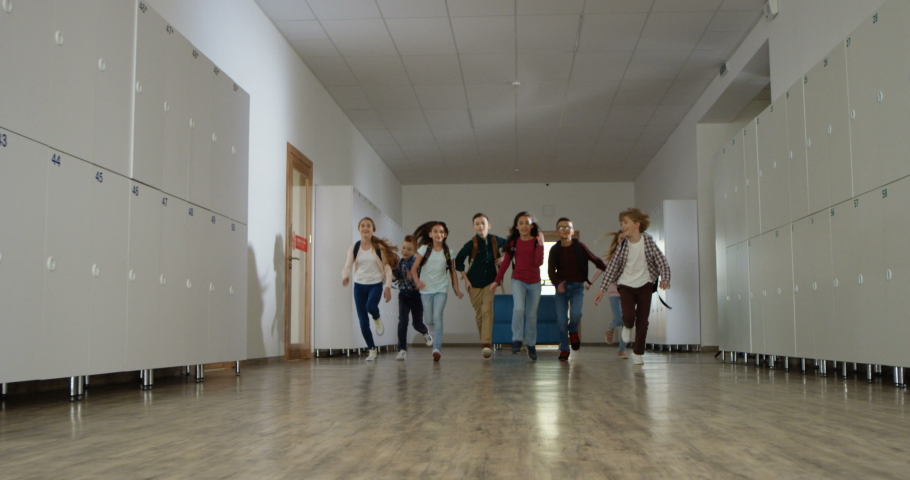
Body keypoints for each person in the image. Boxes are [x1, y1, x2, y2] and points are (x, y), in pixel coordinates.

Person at [594, 208, 670, 366]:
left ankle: (638, 353)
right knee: (628, 317)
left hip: (645, 285)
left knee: (642, 321)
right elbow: (612, 268)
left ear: (637, 224)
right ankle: (627, 327)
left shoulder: (648, 242)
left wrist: (665, 278)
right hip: (626, 286)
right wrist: (602, 289)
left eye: (625, 222)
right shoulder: (622, 246)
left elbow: (662, 261)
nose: (622, 226)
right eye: (621, 223)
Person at [547, 218, 606, 361]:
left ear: (572, 231)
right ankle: (564, 348)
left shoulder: (580, 247)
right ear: (557, 232)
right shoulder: (554, 249)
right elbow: (551, 271)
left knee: (576, 315)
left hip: (577, 288)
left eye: (568, 227)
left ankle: (573, 330)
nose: (565, 229)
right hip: (561, 289)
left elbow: (596, 260)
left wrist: (606, 272)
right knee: (561, 322)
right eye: (561, 227)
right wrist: (557, 284)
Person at [342, 217, 398, 362]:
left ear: (373, 229)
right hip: (359, 286)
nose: (365, 228)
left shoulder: (379, 248)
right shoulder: (354, 247)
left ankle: (377, 318)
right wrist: (346, 276)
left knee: (371, 307)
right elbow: (348, 266)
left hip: (375, 284)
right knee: (363, 321)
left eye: (368, 226)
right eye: (362, 225)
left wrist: (387, 287)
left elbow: (387, 268)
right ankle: (372, 349)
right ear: (359, 229)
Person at [490, 212, 545, 361]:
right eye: (521, 223)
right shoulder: (514, 243)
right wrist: (496, 281)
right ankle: (517, 339)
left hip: (534, 282)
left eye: (527, 223)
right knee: (519, 309)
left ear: (531, 226)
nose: (524, 226)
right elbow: (506, 263)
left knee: (532, 315)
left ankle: (531, 344)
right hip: (518, 280)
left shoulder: (536, 242)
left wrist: (541, 246)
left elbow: (538, 262)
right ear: (517, 226)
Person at [455, 213, 506, 359]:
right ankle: (484, 342)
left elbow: (512, 246)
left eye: (483, 223)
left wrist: (504, 257)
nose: (480, 226)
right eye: (477, 223)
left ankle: (486, 344)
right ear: (473, 227)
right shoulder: (470, 244)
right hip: (474, 283)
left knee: (487, 310)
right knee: (479, 315)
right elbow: (458, 262)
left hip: (491, 281)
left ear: (489, 226)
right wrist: (466, 280)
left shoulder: (495, 240)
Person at [410, 221, 463, 362]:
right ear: (430, 234)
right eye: (435, 231)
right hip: (426, 290)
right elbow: (414, 268)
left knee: (438, 316)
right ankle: (431, 331)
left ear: (445, 235)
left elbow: (452, 271)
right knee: (428, 319)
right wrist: (417, 282)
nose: (439, 234)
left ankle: (437, 348)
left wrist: (457, 290)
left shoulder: (449, 252)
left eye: (441, 232)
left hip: (441, 289)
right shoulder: (424, 249)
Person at [392, 235, 434, 361]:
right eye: (404, 248)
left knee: (416, 324)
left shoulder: (416, 263)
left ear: (414, 251)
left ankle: (425, 332)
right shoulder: (399, 262)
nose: (405, 251)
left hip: (415, 296)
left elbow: (421, 278)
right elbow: (395, 277)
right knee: (402, 322)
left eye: (409, 249)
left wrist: (414, 279)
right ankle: (402, 350)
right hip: (403, 296)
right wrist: (391, 273)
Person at [602, 231, 629, 359]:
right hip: (614, 292)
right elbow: (600, 270)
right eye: (621, 239)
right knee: (619, 319)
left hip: (628, 292)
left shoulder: (632, 256)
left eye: (626, 239)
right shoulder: (610, 257)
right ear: (617, 241)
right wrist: (590, 282)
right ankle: (611, 326)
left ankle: (622, 349)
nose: (624, 241)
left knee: (627, 321)